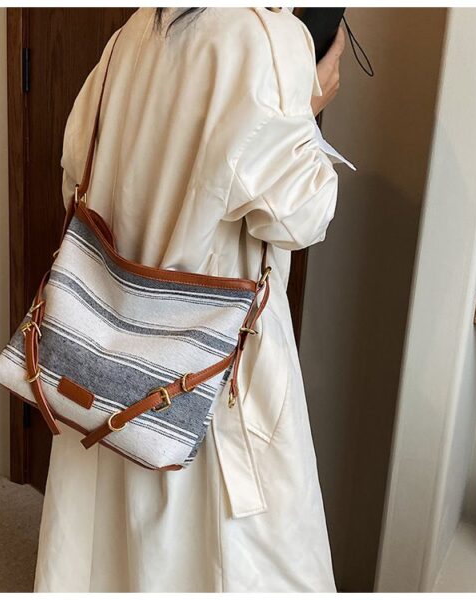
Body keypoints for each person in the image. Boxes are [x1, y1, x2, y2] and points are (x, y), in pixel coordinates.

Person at [34, 7, 350, 592]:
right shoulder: (270, 37)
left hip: (104, 351)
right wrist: (307, 111)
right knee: (225, 554)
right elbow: (301, 216)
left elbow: (74, 176)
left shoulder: (130, 34)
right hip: (212, 367)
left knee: (107, 546)